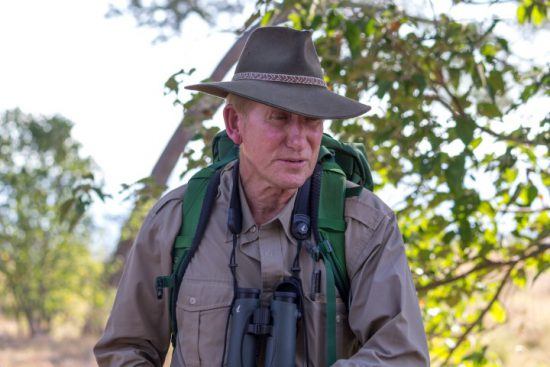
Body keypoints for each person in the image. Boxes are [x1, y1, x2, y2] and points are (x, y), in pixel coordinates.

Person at [94, 26, 430, 366]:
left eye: (311, 120)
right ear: (235, 124)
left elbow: (402, 355)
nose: (298, 140)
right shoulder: (177, 220)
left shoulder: (363, 224)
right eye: (279, 118)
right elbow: (124, 349)